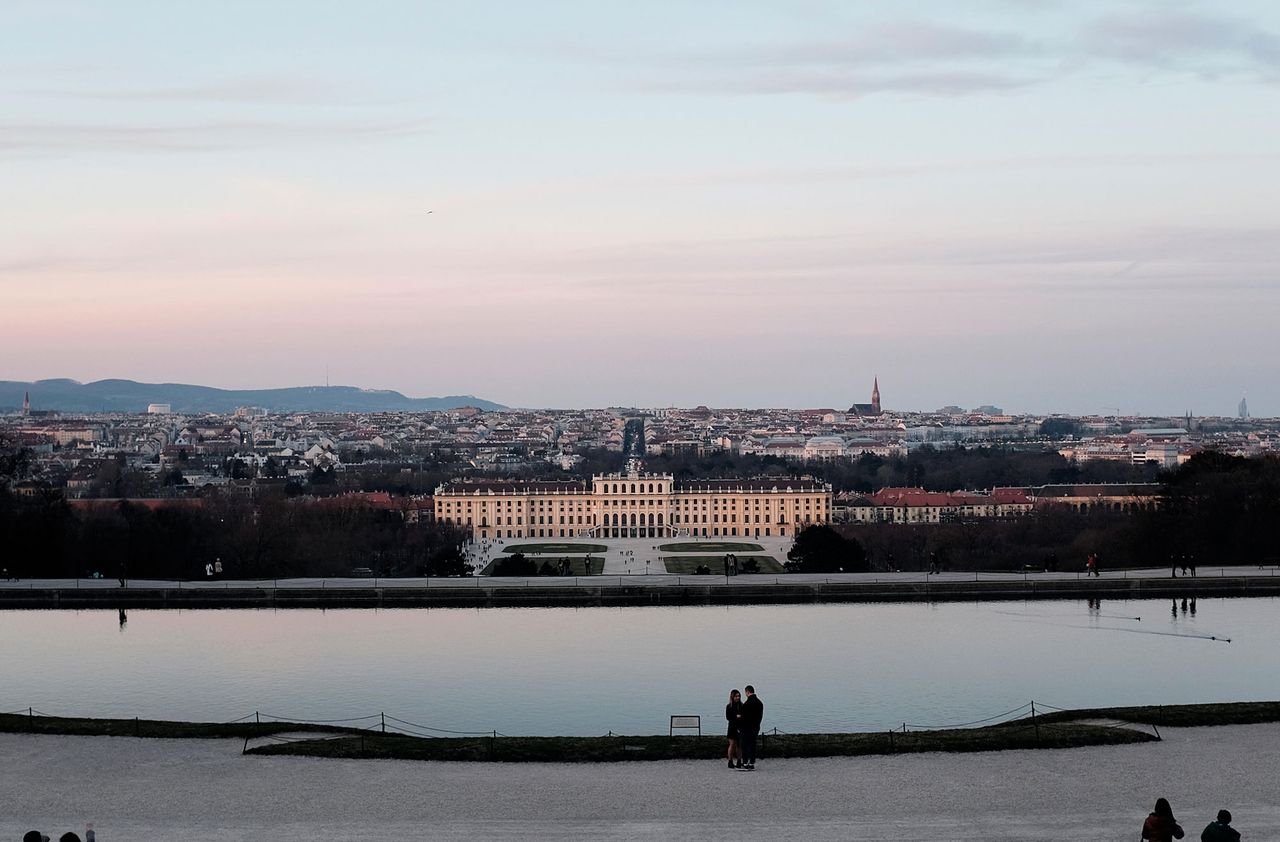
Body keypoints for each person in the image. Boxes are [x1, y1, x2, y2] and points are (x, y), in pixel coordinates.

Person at [739, 684, 764, 770]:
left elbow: (743, 717)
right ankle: (752, 762)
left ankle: (745, 762)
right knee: (753, 745)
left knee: (745, 745)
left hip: (746, 728)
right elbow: (760, 716)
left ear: (747, 692)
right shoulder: (760, 703)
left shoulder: (747, 703)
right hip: (755, 727)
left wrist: (740, 726)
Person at [725, 689, 743, 769]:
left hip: (740, 727)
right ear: (732, 697)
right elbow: (728, 717)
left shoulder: (742, 705)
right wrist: (736, 717)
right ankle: (730, 761)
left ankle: (739, 761)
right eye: (736, 696)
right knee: (732, 745)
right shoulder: (729, 706)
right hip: (732, 727)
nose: (737, 698)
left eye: (738, 696)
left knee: (739, 745)